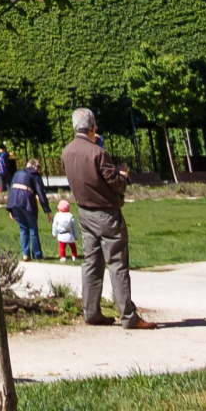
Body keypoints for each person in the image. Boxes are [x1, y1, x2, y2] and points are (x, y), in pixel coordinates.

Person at [63, 108, 154, 328]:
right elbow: (115, 184)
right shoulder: (98, 153)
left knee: (91, 263)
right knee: (117, 264)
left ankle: (91, 312)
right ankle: (128, 316)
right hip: (107, 214)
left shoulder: (67, 151)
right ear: (93, 126)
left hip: (84, 213)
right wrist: (123, 174)